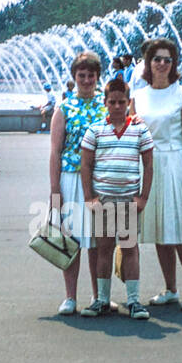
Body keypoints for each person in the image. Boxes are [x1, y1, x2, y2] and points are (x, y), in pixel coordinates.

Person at [132, 38, 182, 310]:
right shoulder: (138, 97)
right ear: (148, 63)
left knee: (181, 231)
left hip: (174, 164)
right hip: (148, 166)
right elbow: (130, 136)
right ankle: (170, 288)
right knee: (160, 231)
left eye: (167, 60)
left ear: (173, 64)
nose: (162, 64)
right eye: (157, 59)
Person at [78, 77, 154, 319]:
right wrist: (89, 197)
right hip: (103, 200)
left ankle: (133, 301)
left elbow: (149, 165)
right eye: (113, 102)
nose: (118, 106)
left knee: (130, 250)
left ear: (129, 102)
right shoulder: (95, 130)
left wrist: (143, 198)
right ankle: (101, 299)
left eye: (122, 102)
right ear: (105, 102)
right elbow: (86, 165)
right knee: (104, 250)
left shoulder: (140, 129)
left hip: (129, 201)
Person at [48, 52, 108, 315]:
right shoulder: (63, 108)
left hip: (100, 181)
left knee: (98, 241)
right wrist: (54, 190)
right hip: (71, 179)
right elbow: (55, 151)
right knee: (71, 240)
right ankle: (70, 297)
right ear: (74, 77)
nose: (86, 80)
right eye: (81, 75)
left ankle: (99, 296)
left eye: (91, 75)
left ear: (97, 77)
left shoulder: (105, 106)